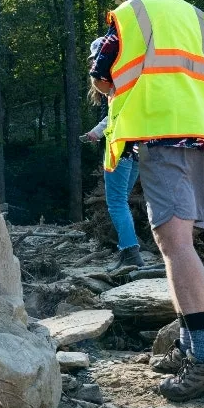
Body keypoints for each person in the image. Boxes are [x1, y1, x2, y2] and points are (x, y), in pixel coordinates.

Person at [89, 0, 204, 402]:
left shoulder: (132, 14)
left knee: (175, 245)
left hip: (161, 132)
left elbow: (104, 80)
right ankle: (190, 344)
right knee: (181, 241)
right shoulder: (200, 19)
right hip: (202, 134)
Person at [80, 38, 145, 273]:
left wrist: (99, 132)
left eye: (95, 61)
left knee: (116, 204)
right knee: (122, 203)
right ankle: (128, 251)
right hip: (136, 151)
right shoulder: (131, 82)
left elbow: (116, 118)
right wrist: (96, 132)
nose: (93, 67)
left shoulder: (116, 86)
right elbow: (116, 117)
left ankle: (131, 253)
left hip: (120, 151)